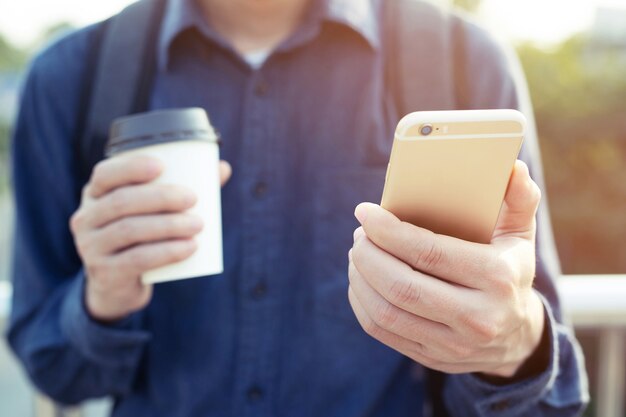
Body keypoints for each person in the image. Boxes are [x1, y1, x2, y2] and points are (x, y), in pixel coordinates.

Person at [7, 0, 588, 416]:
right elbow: (54, 369)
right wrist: (100, 301)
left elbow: (550, 392)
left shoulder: (463, 63)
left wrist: (511, 343)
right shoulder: (72, 78)